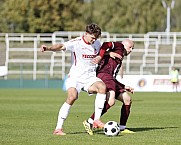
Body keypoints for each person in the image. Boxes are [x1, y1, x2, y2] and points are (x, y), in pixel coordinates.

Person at [40, 23, 115, 136]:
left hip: (89, 78)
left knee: (102, 87)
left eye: (96, 38)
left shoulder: (97, 43)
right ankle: (58, 128)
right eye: (92, 38)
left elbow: (101, 53)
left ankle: (96, 120)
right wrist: (48, 48)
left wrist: (109, 53)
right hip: (75, 77)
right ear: (86, 34)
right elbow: (60, 46)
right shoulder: (76, 43)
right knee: (72, 97)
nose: (93, 40)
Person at [83, 39, 135, 135]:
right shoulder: (119, 46)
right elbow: (106, 44)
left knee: (127, 99)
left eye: (133, 48)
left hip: (111, 78)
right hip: (104, 75)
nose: (131, 50)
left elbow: (113, 75)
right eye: (130, 47)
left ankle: (122, 127)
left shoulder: (120, 55)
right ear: (124, 45)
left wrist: (123, 86)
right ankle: (90, 121)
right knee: (111, 101)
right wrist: (104, 54)